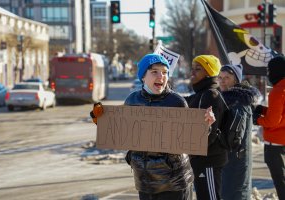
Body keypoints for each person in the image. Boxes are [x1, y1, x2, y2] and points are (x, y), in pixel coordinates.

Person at [91, 53, 216, 200]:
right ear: (143, 76)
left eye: (164, 72)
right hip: (145, 181)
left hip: (174, 183)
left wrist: (205, 126)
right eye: (154, 72)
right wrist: (100, 119)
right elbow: (121, 130)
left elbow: (190, 140)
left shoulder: (177, 102)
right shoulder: (132, 100)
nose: (161, 76)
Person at [184, 55, 227, 200]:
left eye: (198, 69)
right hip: (201, 159)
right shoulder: (201, 94)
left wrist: (192, 150)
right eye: (192, 68)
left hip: (209, 160)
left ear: (208, 73)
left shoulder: (211, 95)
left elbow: (210, 132)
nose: (192, 72)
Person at [218, 64, 260, 200]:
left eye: (227, 78)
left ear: (236, 80)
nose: (222, 81)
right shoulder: (234, 100)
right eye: (220, 77)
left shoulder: (236, 103)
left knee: (234, 193)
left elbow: (232, 136)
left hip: (235, 159)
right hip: (235, 158)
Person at [253, 55, 285, 200]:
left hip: (275, 144)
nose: (268, 74)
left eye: (269, 71)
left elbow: (272, 121)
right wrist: (263, 110)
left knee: (281, 182)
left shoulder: (278, 91)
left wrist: (257, 120)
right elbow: (281, 115)